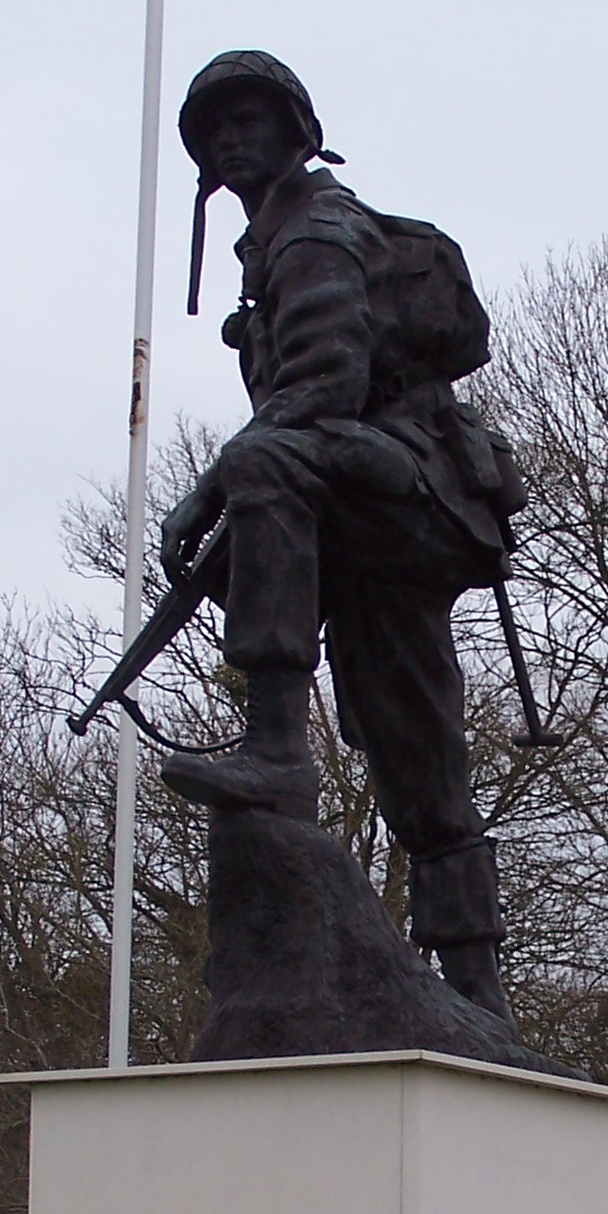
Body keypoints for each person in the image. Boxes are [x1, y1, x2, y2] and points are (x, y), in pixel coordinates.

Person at [155, 50, 526, 1026]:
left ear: (298, 134)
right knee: (418, 754)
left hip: (408, 488)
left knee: (264, 463)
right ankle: (479, 994)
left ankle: (277, 746)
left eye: (250, 120)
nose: (231, 139)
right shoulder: (268, 247)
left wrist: (207, 493)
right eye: (215, 128)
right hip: (371, 519)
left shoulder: (316, 233)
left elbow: (324, 384)